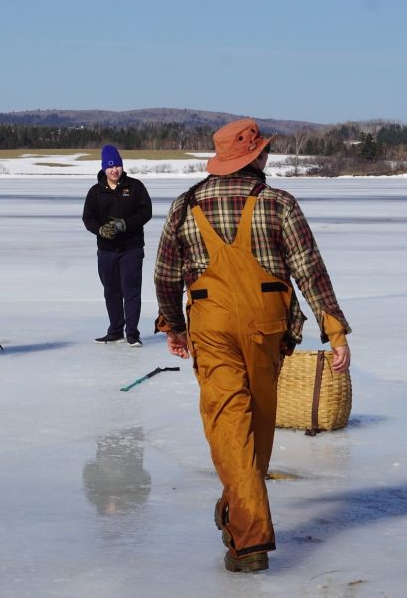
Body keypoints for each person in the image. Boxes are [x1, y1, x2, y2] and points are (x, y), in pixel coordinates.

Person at [153, 118, 351, 572]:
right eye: (264, 151)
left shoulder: (184, 205)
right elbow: (310, 269)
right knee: (257, 428)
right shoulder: (279, 203)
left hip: (211, 327)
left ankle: (249, 539)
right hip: (267, 327)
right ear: (256, 157)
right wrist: (334, 331)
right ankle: (241, 516)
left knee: (230, 425)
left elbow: (165, 276)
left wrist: (174, 327)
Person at [82, 145, 152, 347]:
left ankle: (132, 334)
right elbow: (88, 218)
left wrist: (125, 224)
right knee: (111, 292)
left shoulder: (135, 187)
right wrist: (100, 230)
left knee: (131, 291)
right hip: (107, 251)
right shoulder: (95, 192)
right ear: (104, 168)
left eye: (117, 166)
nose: (114, 170)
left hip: (131, 249)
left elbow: (146, 212)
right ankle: (115, 332)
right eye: (110, 166)